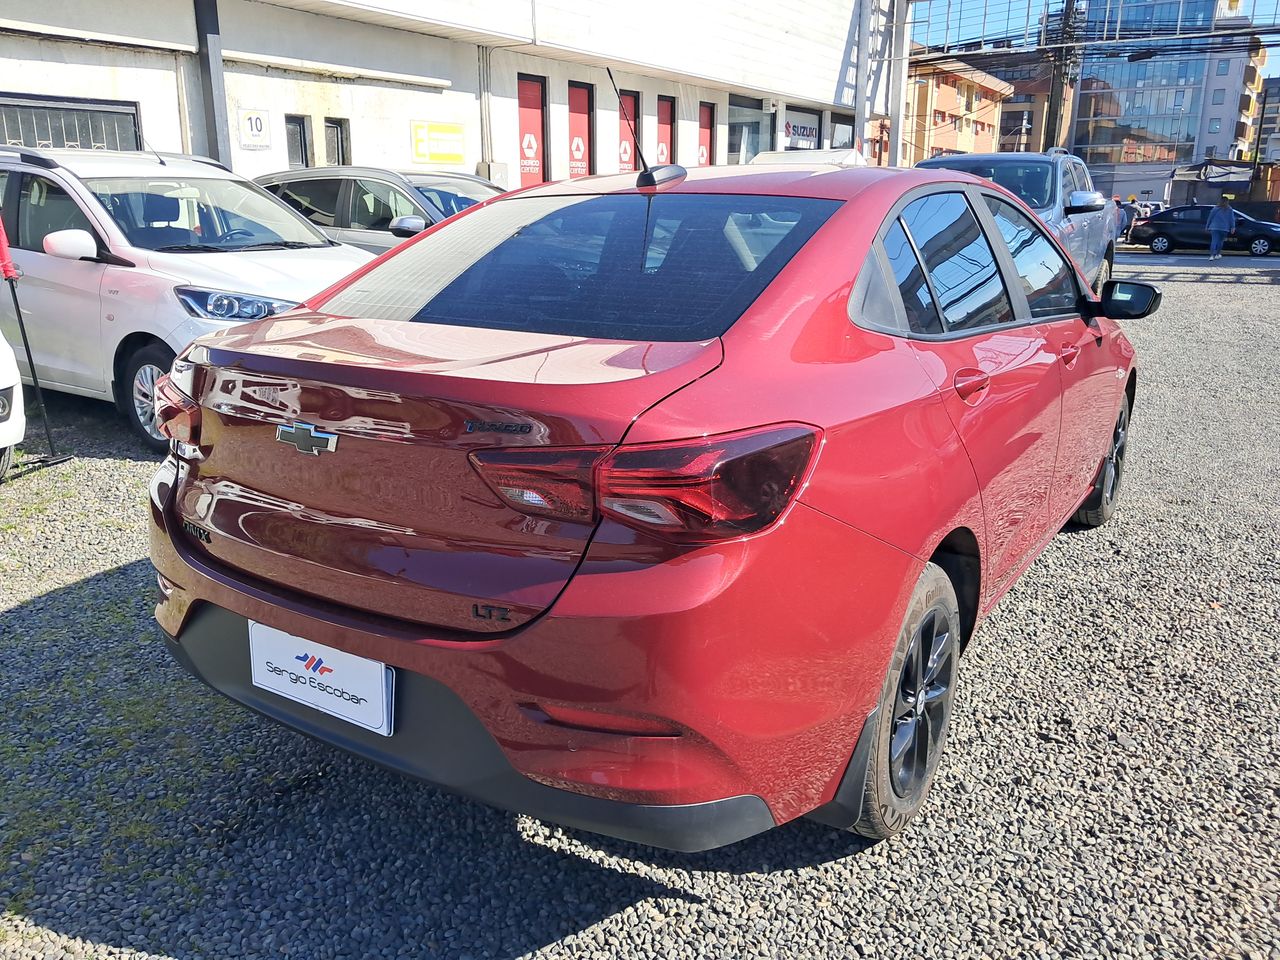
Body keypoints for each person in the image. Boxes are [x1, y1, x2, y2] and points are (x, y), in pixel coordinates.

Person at [1206, 197, 1237, 261]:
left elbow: (1210, 218)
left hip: (1214, 227)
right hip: (1224, 228)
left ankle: (1211, 256)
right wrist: (1233, 227)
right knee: (1220, 241)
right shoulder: (1229, 209)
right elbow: (1232, 219)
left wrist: (1207, 226)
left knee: (1214, 241)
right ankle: (1217, 254)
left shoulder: (1215, 208)